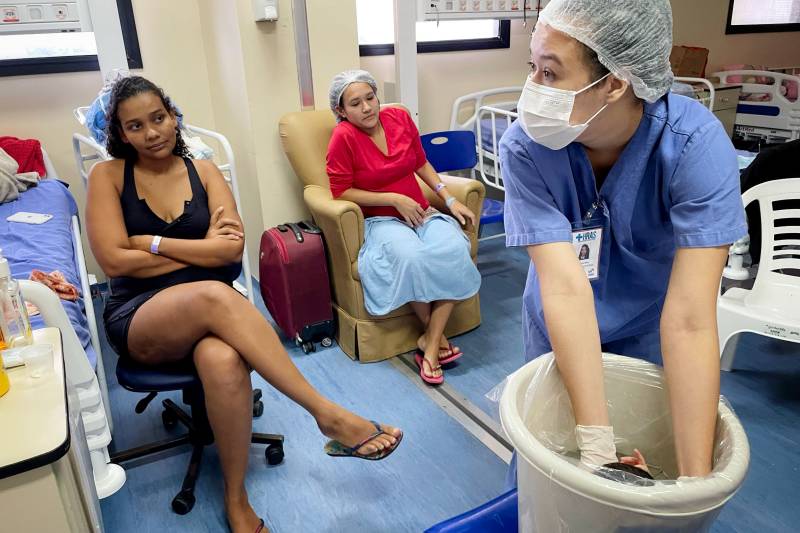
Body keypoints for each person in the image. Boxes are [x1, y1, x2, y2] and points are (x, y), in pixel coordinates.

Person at [85, 76, 402, 533]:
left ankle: (236, 499)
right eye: (136, 126)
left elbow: (231, 251)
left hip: (214, 316)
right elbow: (114, 260)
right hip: (141, 315)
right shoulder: (109, 177)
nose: (152, 133)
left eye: (159, 118)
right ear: (121, 133)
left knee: (224, 359)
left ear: (173, 116)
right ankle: (326, 413)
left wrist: (151, 243)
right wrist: (202, 248)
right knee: (216, 293)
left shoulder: (204, 171)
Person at [500, 0, 746, 481]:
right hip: (558, 325)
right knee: (551, 468)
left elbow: (691, 320)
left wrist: (692, 488)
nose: (532, 89)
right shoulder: (526, 148)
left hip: (650, 329)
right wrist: (597, 446)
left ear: (615, 83)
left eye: (550, 73)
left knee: (655, 467)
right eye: (532, 67)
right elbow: (564, 287)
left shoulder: (693, 145)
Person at [325, 70, 481, 385]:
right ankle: (435, 345)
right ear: (341, 110)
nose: (367, 108)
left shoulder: (398, 118)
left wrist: (449, 199)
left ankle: (430, 340)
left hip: (421, 213)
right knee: (411, 257)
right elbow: (340, 192)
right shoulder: (343, 138)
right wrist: (394, 199)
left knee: (454, 247)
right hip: (382, 220)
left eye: (370, 98)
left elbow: (420, 162)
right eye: (355, 104)